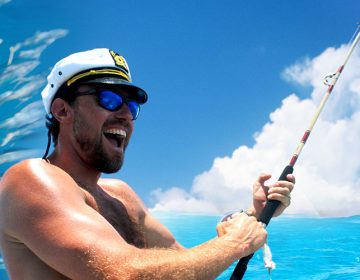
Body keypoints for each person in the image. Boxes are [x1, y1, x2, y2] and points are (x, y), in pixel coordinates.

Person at [0, 48, 295, 279]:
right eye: (110, 99)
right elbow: (123, 274)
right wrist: (234, 244)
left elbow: (187, 266)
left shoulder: (121, 196)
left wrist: (253, 214)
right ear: (62, 110)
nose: (126, 115)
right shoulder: (28, 179)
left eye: (131, 106)